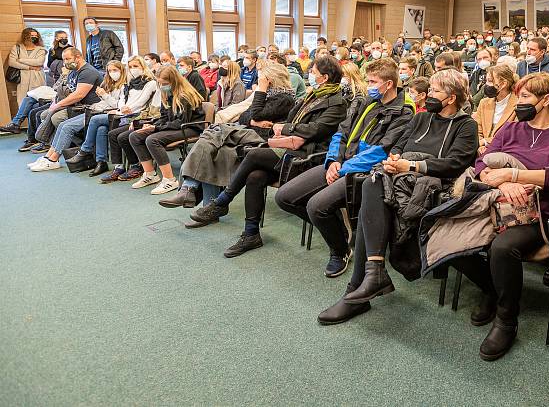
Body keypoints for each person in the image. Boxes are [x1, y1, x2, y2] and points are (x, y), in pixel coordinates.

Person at [319, 69, 479, 325]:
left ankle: (361, 287)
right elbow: (399, 145)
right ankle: (368, 279)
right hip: (400, 179)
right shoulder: (421, 118)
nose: (429, 95)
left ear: (451, 98)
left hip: (432, 187)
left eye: (436, 91)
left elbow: (455, 163)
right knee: (374, 183)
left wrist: (411, 167)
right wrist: (395, 160)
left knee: (370, 195)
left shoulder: (466, 125)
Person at [449, 72, 549, 361]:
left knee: (503, 246)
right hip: (498, 203)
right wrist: (505, 183)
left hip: (541, 213)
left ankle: (506, 320)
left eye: (524, 97)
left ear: (545, 100)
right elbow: (482, 162)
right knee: (451, 235)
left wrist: (513, 174)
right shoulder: (511, 129)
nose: (518, 102)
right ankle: (493, 288)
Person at [191, 56, 348, 253]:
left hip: (310, 157)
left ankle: (223, 200)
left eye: (313, 73)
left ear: (324, 77)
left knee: (255, 155)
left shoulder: (337, 103)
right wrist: (286, 127)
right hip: (292, 150)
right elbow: (253, 116)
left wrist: (284, 127)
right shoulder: (312, 95)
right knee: (255, 176)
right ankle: (251, 234)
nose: (310, 75)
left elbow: (315, 130)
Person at [274, 58, 415, 277]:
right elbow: (341, 133)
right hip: (340, 163)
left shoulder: (404, 112)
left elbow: (382, 151)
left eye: (373, 81)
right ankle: (340, 232)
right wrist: (333, 161)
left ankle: (339, 251)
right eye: (368, 80)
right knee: (284, 197)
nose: (369, 86)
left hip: (365, 173)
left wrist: (343, 168)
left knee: (316, 207)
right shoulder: (364, 102)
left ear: (388, 84)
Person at [160, 63, 296, 225]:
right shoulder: (266, 94)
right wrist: (254, 120)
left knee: (213, 131)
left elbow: (256, 113)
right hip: (248, 134)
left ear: (270, 80)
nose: (259, 81)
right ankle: (207, 207)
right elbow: (245, 116)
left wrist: (259, 94)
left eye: (262, 78)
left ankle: (188, 188)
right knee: (214, 152)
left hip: (263, 140)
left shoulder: (284, 98)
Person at [31, 60, 126, 172]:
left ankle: (55, 159)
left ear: (122, 70)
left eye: (115, 70)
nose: (112, 73)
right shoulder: (108, 83)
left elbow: (118, 105)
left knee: (67, 127)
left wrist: (104, 95)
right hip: (96, 110)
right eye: (109, 71)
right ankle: (49, 156)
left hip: (106, 113)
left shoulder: (124, 85)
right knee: (62, 124)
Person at [75, 55, 159, 177]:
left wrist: (125, 109)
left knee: (97, 121)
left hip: (135, 114)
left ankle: (86, 150)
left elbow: (142, 101)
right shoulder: (129, 82)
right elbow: (122, 99)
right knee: (103, 130)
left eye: (136, 66)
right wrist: (121, 108)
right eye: (130, 67)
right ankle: (112, 164)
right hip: (121, 113)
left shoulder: (149, 82)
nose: (133, 69)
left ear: (142, 67)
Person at [127, 66, 205, 195]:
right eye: (160, 83)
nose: (162, 86)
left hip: (190, 127)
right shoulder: (167, 92)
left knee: (152, 139)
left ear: (174, 81)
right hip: (177, 126)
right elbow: (164, 117)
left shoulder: (185, 95)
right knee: (135, 136)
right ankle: (150, 174)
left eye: (165, 83)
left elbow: (181, 122)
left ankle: (170, 180)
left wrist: (157, 128)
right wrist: (151, 124)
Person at [25, 47, 104, 171]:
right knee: (55, 120)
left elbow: (79, 95)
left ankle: (54, 158)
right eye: (64, 60)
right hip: (78, 107)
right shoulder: (73, 71)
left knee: (63, 123)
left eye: (68, 59)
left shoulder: (88, 71)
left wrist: (58, 105)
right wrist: (55, 102)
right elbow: (63, 90)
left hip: (92, 109)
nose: (65, 62)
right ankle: (48, 157)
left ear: (78, 57)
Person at [474, 65, 517, 155]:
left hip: (505, 152)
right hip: (481, 151)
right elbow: (477, 130)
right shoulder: (484, 103)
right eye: (486, 81)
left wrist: (486, 142)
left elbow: (511, 136)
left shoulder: (518, 104)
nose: (486, 84)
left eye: (490, 81)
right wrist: (481, 146)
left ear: (503, 84)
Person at [8, 27, 47, 106]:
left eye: (36, 36)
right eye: (32, 35)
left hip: (37, 77)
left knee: (39, 98)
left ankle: (37, 116)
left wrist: (21, 60)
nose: (34, 38)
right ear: (25, 36)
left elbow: (39, 62)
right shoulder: (17, 48)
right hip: (23, 77)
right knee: (22, 100)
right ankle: (24, 117)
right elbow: (12, 62)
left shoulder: (41, 49)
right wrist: (29, 67)